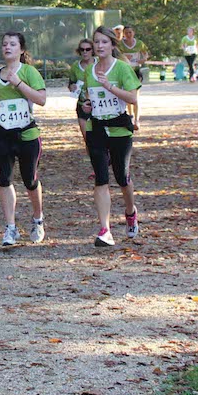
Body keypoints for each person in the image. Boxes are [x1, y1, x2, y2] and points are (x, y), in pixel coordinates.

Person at [79, 26, 141, 247]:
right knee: (101, 177)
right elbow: (90, 97)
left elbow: (132, 98)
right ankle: (105, 229)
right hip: (96, 127)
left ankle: (130, 211)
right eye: (96, 42)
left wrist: (110, 87)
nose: (99, 46)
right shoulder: (90, 70)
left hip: (119, 128)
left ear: (113, 45)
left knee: (121, 176)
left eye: (104, 42)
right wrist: (87, 106)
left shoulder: (122, 68)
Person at [0, 32, 48, 247]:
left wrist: (19, 83)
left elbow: (41, 100)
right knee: (4, 179)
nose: (7, 47)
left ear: (21, 50)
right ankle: (10, 227)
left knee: (30, 180)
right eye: (4, 44)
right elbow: (1, 97)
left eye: (12, 44)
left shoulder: (29, 72)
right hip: (4, 133)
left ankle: (38, 219)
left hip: (27, 134)